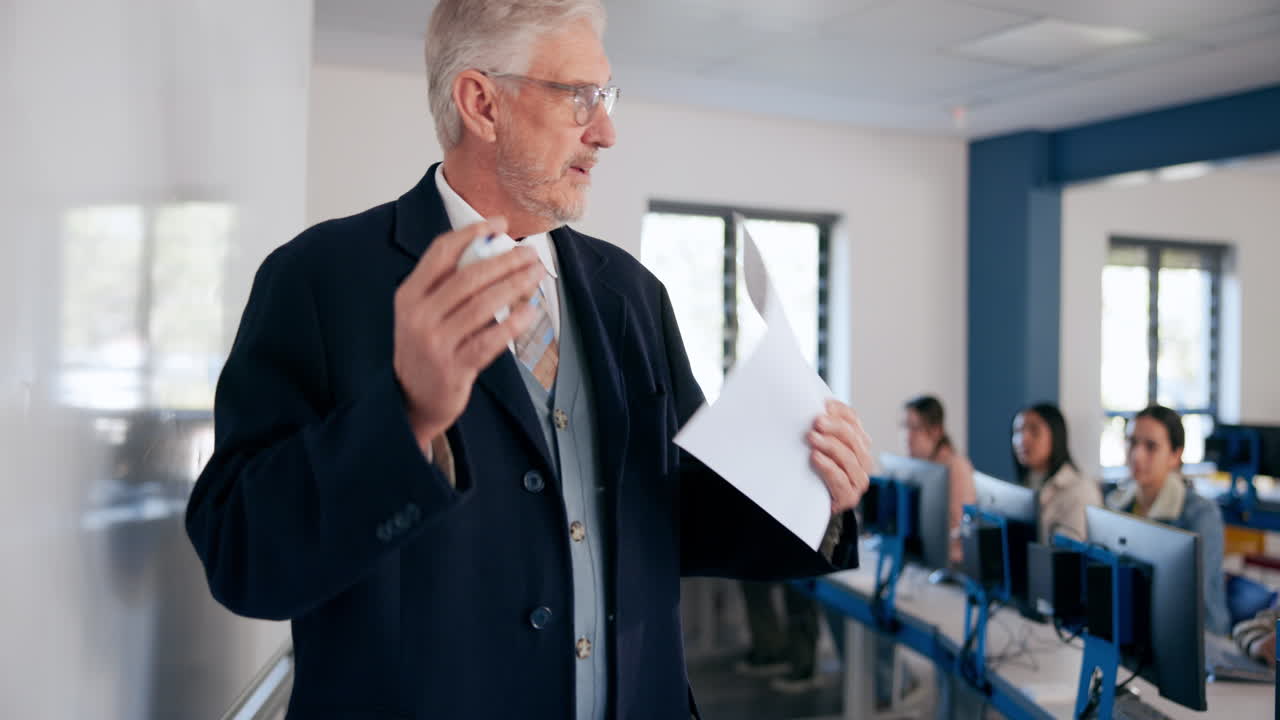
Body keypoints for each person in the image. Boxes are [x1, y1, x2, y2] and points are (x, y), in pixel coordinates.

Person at [183, 2, 874, 718]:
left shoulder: (631, 295)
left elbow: (676, 514)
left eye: (607, 99)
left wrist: (817, 492)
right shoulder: (321, 280)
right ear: (481, 102)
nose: (605, 132)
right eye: (580, 98)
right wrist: (404, 419)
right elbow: (243, 557)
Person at [1105, 405, 1230, 635]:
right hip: (1135, 633)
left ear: (1175, 455)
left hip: (1197, 639)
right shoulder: (1116, 503)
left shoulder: (1200, 514)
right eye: (1132, 442)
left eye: (1151, 446)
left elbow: (1188, 598)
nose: (1137, 455)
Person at [1011, 403, 1102, 543]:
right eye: (1018, 431)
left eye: (1034, 431)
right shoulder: (1029, 482)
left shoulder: (1080, 491)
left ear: (1056, 435)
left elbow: (1067, 556)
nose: (1023, 440)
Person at [903, 395, 976, 567]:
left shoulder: (956, 467)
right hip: (923, 561)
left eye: (914, 428)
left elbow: (958, 531)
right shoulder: (919, 466)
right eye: (905, 427)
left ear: (936, 431)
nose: (908, 437)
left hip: (950, 564)